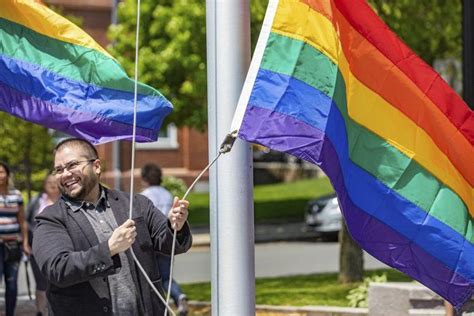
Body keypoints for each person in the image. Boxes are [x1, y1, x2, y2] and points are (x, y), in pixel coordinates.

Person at [32, 138, 192, 315]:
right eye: (59, 170)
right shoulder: (50, 219)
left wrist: (175, 225)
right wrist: (108, 249)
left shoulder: (135, 203)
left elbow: (168, 243)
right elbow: (58, 269)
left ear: (97, 166)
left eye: (72, 165)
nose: (65, 174)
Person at [141, 163, 188, 316]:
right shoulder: (167, 194)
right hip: (168, 238)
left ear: (144, 179)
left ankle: (162, 307)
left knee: (153, 277)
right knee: (166, 275)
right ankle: (179, 296)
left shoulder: (144, 195)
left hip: (152, 240)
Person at [26, 174, 60, 316]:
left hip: (60, 249)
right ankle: (40, 311)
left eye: (55, 182)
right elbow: (26, 222)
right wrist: (27, 243)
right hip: (38, 249)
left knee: (58, 282)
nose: (52, 184)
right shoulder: (36, 201)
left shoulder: (66, 201)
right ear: (44, 185)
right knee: (41, 283)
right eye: (49, 182)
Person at [0, 161, 30, 316]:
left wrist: (25, 243)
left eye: (2, 172)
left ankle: (10, 313)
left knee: (11, 284)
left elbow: (22, 220)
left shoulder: (16, 195)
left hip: (13, 245)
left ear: (7, 174)